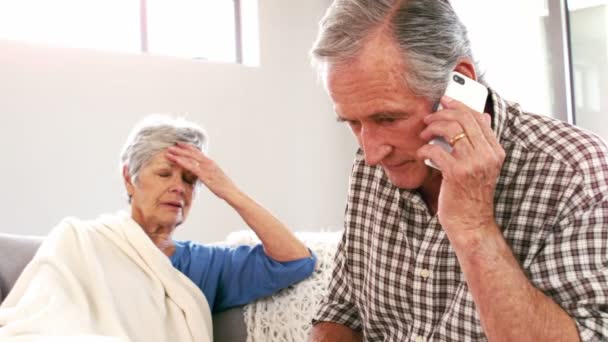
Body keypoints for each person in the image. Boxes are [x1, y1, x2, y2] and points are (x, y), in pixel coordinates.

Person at [308, 1, 608, 341]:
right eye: (352, 122)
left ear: (459, 84)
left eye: (388, 118)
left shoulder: (574, 174)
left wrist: (474, 228)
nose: (372, 153)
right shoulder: (372, 160)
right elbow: (341, 311)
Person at [0, 115, 315, 342]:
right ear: (129, 178)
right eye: (165, 174)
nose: (179, 188)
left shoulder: (203, 265)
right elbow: (39, 322)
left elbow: (296, 260)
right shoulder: (80, 240)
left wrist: (228, 190)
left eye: (191, 180)